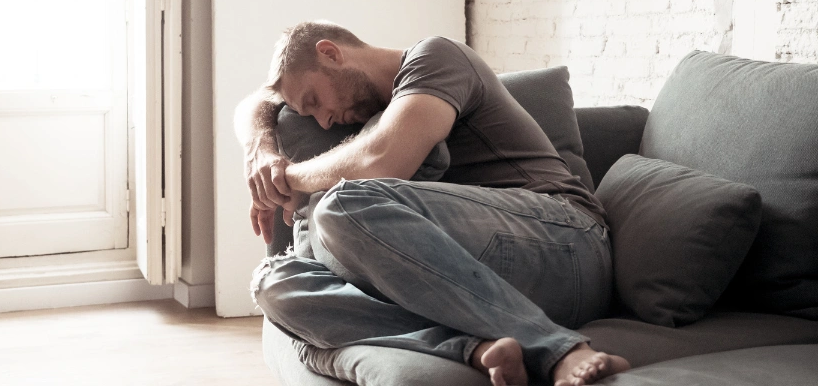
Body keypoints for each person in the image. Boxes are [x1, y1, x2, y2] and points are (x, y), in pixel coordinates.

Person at [235, 20, 630, 386]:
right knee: (275, 283)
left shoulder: (435, 57)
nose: (323, 121)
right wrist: (260, 148)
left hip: (564, 242)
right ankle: (475, 349)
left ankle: (558, 349)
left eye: (315, 100)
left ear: (331, 53)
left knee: (341, 205)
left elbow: (381, 161)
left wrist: (287, 178)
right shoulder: (366, 112)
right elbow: (256, 100)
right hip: (459, 270)